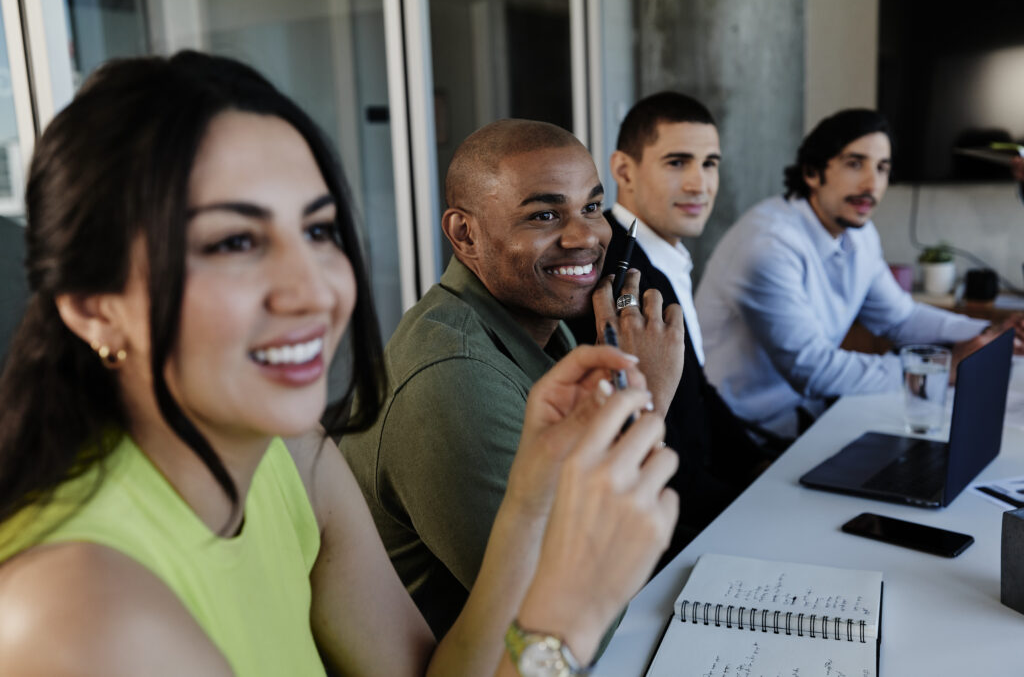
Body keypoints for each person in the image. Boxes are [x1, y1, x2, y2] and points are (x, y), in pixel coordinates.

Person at [0, 53, 679, 676]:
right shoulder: (75, 607)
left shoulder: (292, 454)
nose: (314, 289)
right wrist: (561, 627)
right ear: (94, 306)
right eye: (235, 241)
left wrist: (529, 505)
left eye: (319, 231)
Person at [341, 118, 686, 638]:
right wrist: (644, 402)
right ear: (465, 234)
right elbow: (573, 616)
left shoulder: (552, 328)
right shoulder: (454, 381)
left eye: (592, 207)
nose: (585, 236)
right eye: (545, 215)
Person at [695, 108, 1021, 440]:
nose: (872, 184)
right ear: (811, 172)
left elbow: (899, 318)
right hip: (742, 435)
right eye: (855, 164)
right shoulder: (768, 245)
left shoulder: (859, 233)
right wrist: (942, 369)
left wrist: (991, 332)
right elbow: (814, 371)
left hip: (808, 416)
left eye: (882, 169)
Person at [568, 91, 765, 553]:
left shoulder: (664, 257)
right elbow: (653, 433)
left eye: (710, 163)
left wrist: (763, 469)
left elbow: (697, 391)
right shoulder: (621, 274)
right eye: (678, 163)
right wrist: (744, 510)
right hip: (669, 531)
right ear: (623, 170)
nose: (701, 184)